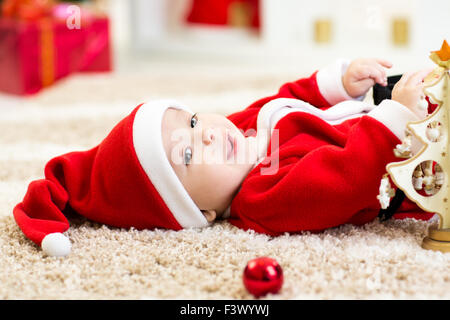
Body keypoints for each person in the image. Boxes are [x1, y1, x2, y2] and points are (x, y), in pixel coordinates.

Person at [13, 58, 433, 256]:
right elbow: (345, 180)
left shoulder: (237, 134)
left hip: (384, 112)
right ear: (202, 212)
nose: (210, 133)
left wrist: (338, 84)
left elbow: (285, 100)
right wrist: (395, 117)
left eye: (193, 122)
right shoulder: (262, 197)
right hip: (413, 165)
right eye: (190, 154)